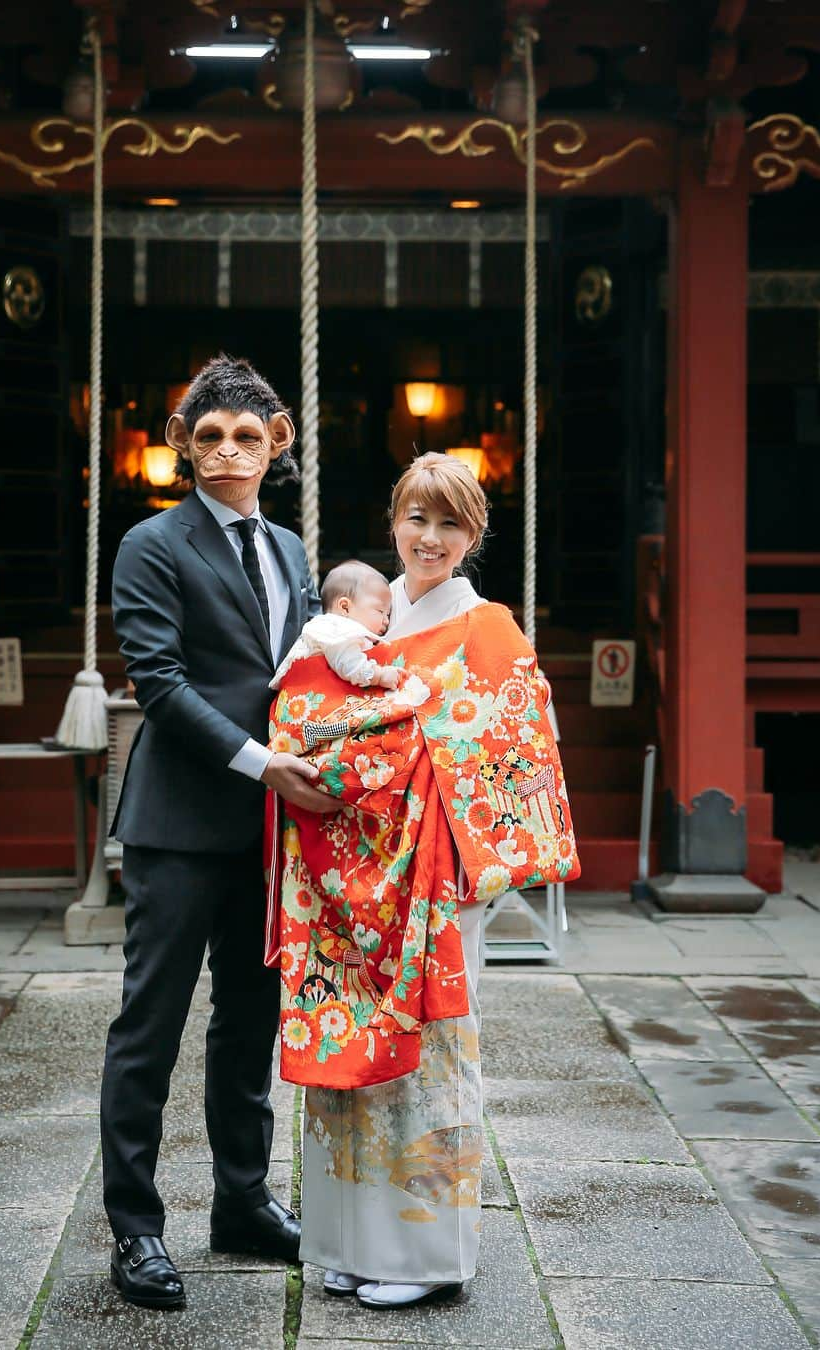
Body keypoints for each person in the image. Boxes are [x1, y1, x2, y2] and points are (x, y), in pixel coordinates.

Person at [100, 355, 336, 1311]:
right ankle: (137, 1230)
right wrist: (258, 759)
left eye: (247, 435)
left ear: (276, 442)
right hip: (181, 822)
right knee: (148, 1029)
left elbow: (312, 668)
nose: (229, 450)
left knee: (251, 1024)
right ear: (182, 448)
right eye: (210, 436)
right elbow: (159, 683)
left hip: (272, 830)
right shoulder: (150, 544)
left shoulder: (288, 549)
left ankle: (242, 1202)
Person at [300, 452, 492, 1308]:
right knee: (347, 1044)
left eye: (450, 523)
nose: (431, 538)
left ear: (472, 536)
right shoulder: (364, 622)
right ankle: (347, 1240)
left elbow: (509, 753)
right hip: (351, 868)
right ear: (394, 522)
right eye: (418, 518)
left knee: (429, 1059)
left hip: (436, 870)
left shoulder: (487, 628)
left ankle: (423, 1258)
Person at [270, 559, 402, 693]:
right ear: (345, 607)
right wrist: (379, 675)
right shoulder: (336, 630)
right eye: (380, 611)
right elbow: (350, 666)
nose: (386, 621)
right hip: (305, 695)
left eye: (388, 614)